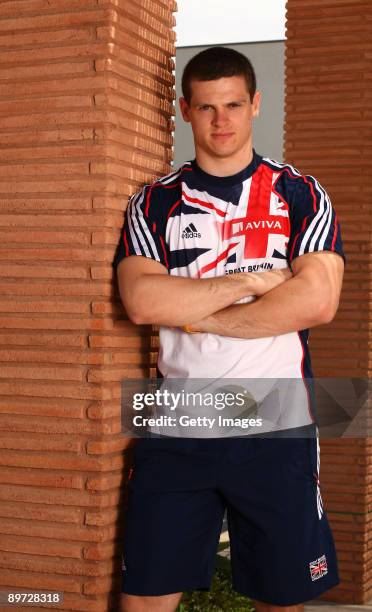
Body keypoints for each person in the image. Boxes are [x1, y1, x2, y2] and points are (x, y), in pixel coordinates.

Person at [115, 46, 345, 612]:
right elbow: (143, 301)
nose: (222, 121)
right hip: (178, 425)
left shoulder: (300, 194)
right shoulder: (153, 203)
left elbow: (315, 301)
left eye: (234, 105)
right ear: (185, 110)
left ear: (255, 104)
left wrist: (192, 312)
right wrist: (256, 281)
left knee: (283, 597)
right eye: (208, 107)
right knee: (144, 596)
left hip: (276, 426)